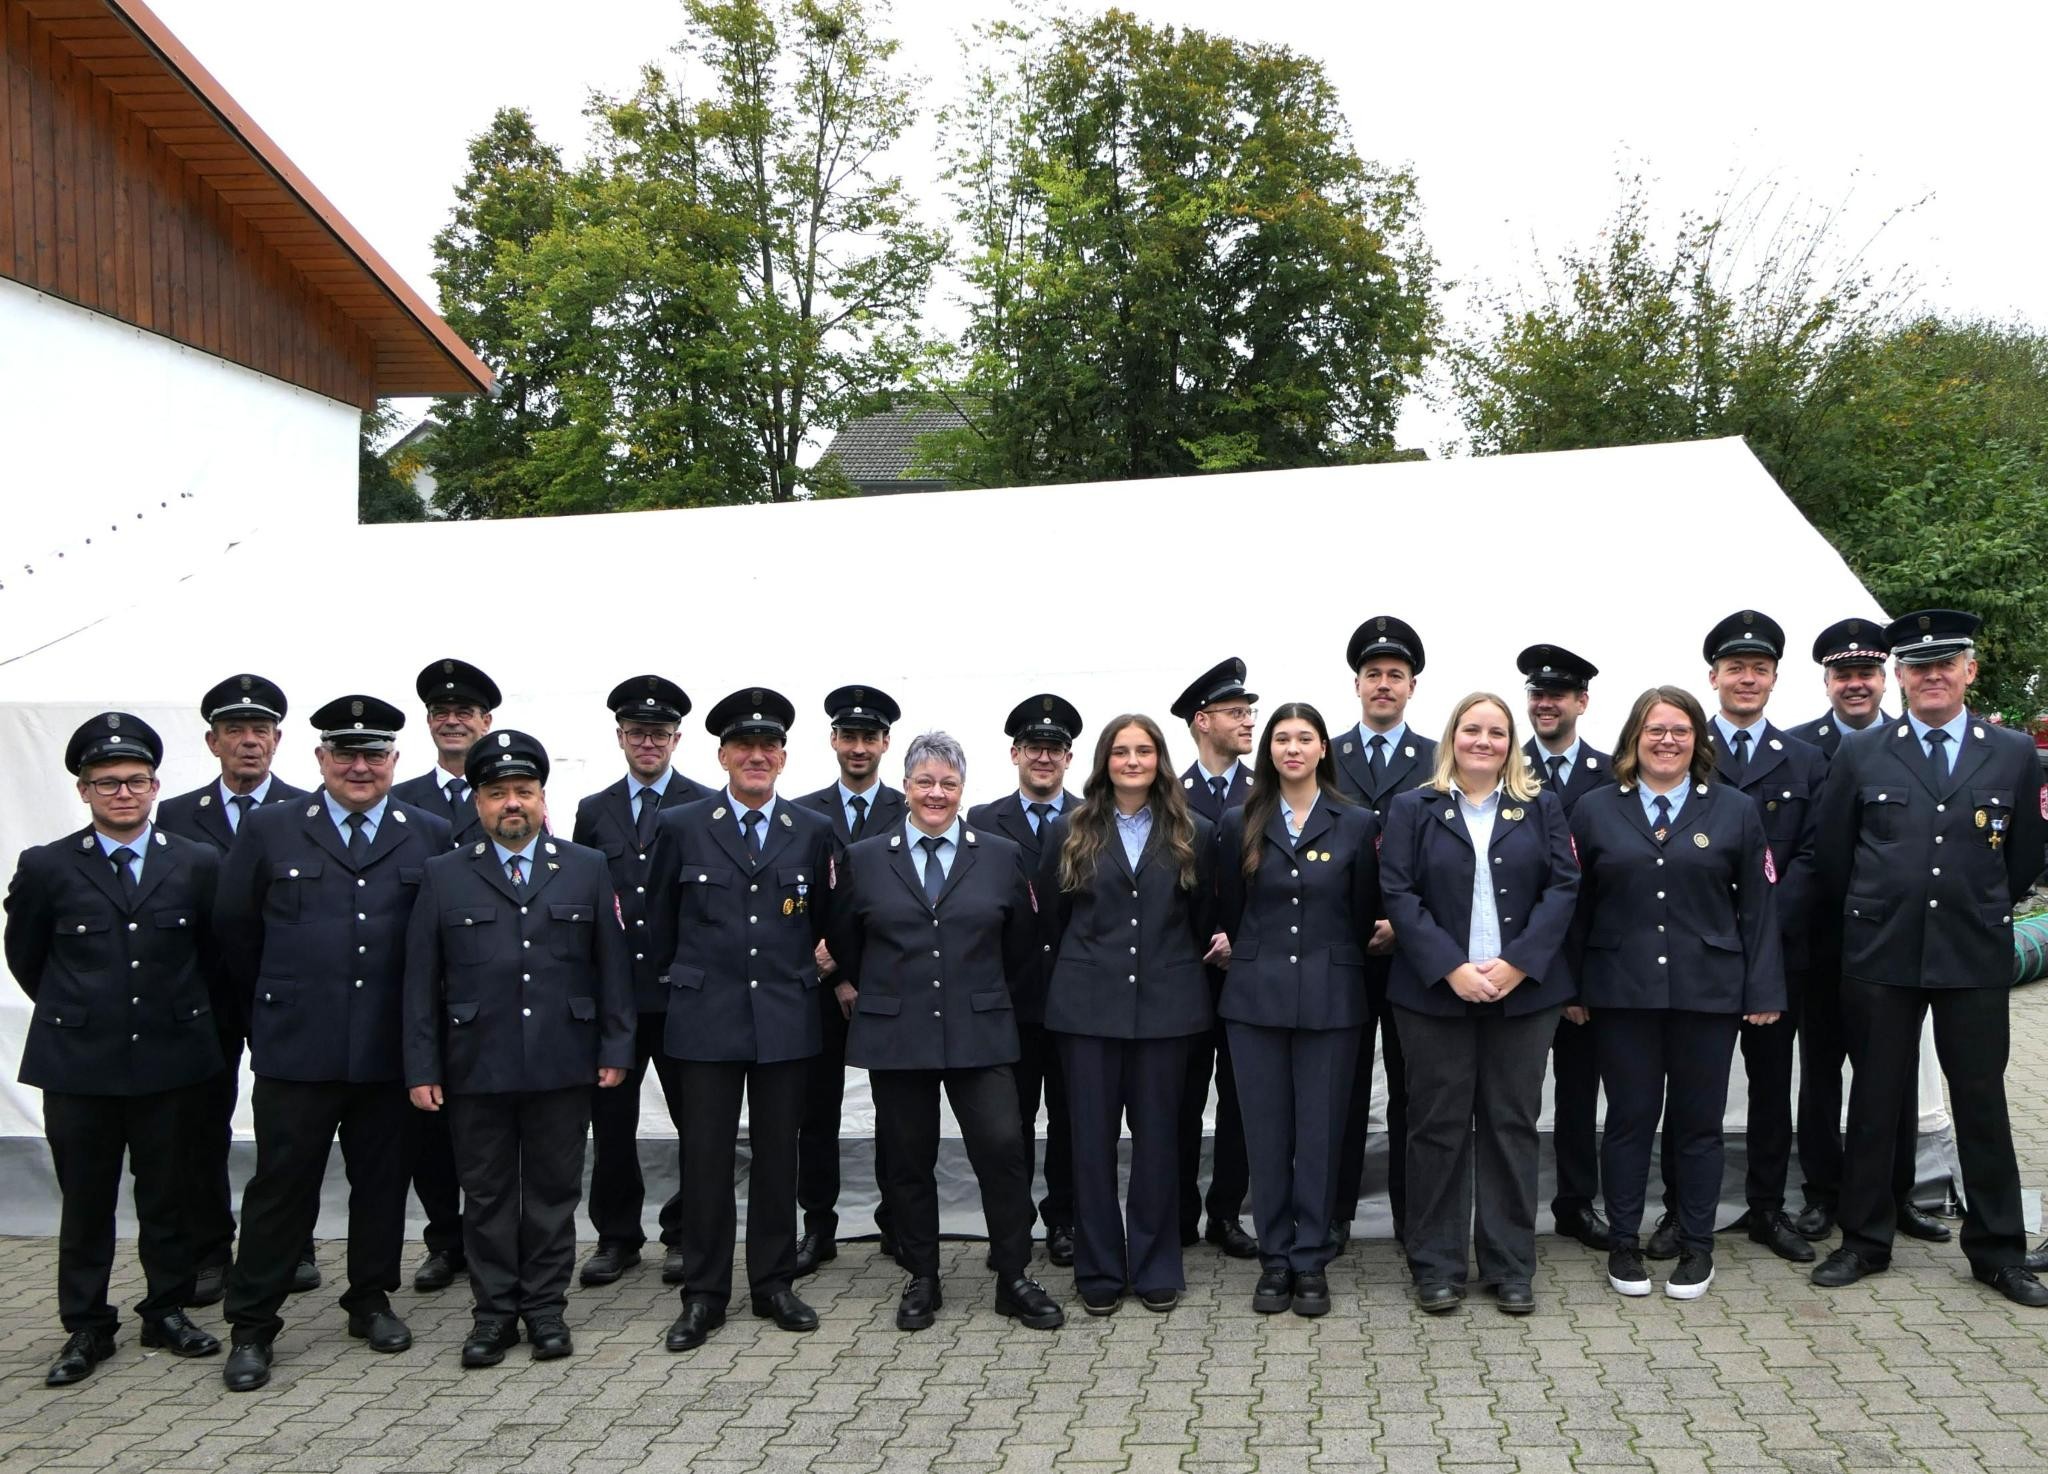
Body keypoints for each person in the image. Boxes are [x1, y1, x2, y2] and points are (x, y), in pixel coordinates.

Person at [213, 696, 453, 1391]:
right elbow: (235, 929)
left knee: (381, 1185)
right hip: (299, 1046)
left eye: (373, 754)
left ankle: (369, 1300)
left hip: (386, 1050)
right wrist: (275, 1009)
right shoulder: (272, 828)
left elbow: (439, 942)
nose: (359, 766)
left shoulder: (429, 832)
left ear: (394, 762)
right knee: (280, 1188)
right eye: (344, 754)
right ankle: (252, 1325)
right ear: (318, 760)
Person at [1810, 610, 2048, 1307]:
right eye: (1917, 666)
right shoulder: (1864, 752)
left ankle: (1999, 1252)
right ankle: (1864, 1241)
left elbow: (2028, 854)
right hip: (1880, 951)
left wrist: (1977, 906)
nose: (1932, 675)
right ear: (1900, 679)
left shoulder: (2009, 752)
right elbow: (1834, 856)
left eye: (1946, 663)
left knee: (1981, 1101)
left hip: (1972, 953)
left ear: (1969, 671)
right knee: (1877, 1099)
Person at [5, 714, 225, 1385]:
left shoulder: (196, 861)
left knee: (167, 1196)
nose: (122, 793)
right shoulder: (47, 866)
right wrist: (83, 1011)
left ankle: (165, 1310)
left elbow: (214, 956)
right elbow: (27, 957)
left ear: (156, 785)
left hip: (169, 1058)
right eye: (107, 783)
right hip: (80, 1064)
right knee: (86, 1200)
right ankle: (87, 1326)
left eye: (134, 781)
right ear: (84, 791)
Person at [403, 732, 635, 1365]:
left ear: (541, 798)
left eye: (524, 792)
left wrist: (616, 1047)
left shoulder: (585, 867)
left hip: (563, 1060)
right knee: (487, 1195)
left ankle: (544, 1310)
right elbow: (421, 979)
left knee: (554, 1193)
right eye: (498, 793)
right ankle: (493, 1315)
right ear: (478, 802)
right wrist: (422, 1065)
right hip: (477, 1062)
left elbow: (611, 968)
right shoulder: (444, 874)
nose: (512, 804)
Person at [826, 732, 1065, 1333]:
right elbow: (848, 942)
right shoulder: (864, 858)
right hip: (897, 1032)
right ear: (905, 786)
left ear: (964, 790)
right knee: (906, 1160)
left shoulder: (1000, 855)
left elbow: (1018, 945)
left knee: (1003, 1152)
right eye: (925, 781)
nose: (936, 793)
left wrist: (984, 996)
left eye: (948, 783)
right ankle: (923, 1276)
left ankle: (1013, 1275)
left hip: (979, 1029)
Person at [1568, 686, 1784, 1302]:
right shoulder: (1595, 808)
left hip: (1707, 992)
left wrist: (1763, 987)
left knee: (1699, 1126)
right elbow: (1575, 906)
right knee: (1629, 1121)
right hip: (1620, 992)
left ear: (1698, 741)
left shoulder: (1736, 810)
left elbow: (1759, 908)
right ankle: (1625, 1243)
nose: (1667, 741)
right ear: (1634, 738)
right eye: (1655, 730)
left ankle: (1696, 1245)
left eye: (1680, 731)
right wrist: (1573, 985)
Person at [650, 689, 838, 1352]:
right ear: (723, 755)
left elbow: (829, 923)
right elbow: (657, 925)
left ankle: (773, 1283)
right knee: (705, 1160)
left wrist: (810, 973)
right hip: (705, 1019)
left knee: (778, 1158)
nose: (756, 757)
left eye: (769, 747)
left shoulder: (811, 831)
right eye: (743, 747)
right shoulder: (681, 825)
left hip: (785, 1016)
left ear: (784, 757)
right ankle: (703, 1294)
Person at [1635, 612, 1824, 1266]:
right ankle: (1680, 1215)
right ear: (1713, 676)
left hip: (1775, 954)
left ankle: (1767, 1207)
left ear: (1774, 676)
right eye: (1735, 668)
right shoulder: (1679, 748)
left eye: (1760, 668)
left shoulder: (1805, 760)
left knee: (1772, 1088)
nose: (1748, 678)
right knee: (1685, 1093)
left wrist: (1763, 922)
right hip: (1689, 955)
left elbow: (1813, 856)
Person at [1381, 694, 1579, 1315]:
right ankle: (1436, 1265)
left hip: (1522, 997)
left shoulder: (1540, 805)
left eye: (1496, 732)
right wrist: (1451, 968)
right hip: (1435, 996)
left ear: (1510, 742)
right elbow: (1398, 892)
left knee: (1510, 1125)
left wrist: (1519, 963)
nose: (1483, 741)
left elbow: (1564, 886)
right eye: (1472, 729)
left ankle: (1510, 1264)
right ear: (1453, 737)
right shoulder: (1414, 807)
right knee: (1435, 1127)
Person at [1040, 714, 1224, 1315]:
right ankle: (1097, 1267)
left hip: (1167, 1013)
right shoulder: (1071, 829)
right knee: (1088, 1144)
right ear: (1105, 761)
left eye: (1144, 751)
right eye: (1121, 751)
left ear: (1160, 759)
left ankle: (1155, 1264)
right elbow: (1053, 924)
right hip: (1087, 1013)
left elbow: (1199, 921)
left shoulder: (1193, 830)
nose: (1132, 761)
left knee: (1159, 1143)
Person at [156, 674, 317, 1305]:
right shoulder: (173, 816)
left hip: (285, 997)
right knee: (201, 1128)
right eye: (235, 732)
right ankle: (208, 1252)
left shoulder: (310, 810)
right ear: (212, 741)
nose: (248, 742)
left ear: (278, 740)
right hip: (205, 997)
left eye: (260, 731)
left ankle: (292, 1246)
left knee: (292, 1129)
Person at [1216, 704, 1380, 1317]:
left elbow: (1362, 910)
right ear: (1269, 751)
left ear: (1321, 750)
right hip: (1255, 998)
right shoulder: (1239, 821)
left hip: (1332, 997)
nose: (1292, 748)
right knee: (1266, 1133)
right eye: (1281, 738)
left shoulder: (1357, 823)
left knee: (1319, 1132)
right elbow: (1230, 905)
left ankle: (1311, 1256)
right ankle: (1275, 1257)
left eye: (1304, 738)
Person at [1782, 620, 1932, 1246]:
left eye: (1866, 674)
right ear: (1826, 682)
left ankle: (1897, 1195)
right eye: (1843, 675)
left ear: (1885, 679)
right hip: (1822, 943)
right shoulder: (1794, 747)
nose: (1856, 685)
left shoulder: (1914, 744)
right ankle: (1822, 1195)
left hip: (1895, 944)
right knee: (1820, 1074)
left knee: (1891, 1075)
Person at [572, 675, 713, 1290]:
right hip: (617, 995)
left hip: (681, 993)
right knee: (612, 1124)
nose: (648, 742)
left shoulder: (704, 805)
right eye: (637, 733)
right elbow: (581, 900)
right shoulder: (594, 810)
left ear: (677, 738)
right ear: (621, 738)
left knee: (695, 1122)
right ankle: (616, 1236)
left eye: (659, 733)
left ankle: (685, 1233)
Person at [391, 657, 503, 1294]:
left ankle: (496, 1236)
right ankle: (444, 1239)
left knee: (491, 1128)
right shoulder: (401, 802)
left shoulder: (516, 792)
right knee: (430, 1128)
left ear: (487, 723)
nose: (453, 720)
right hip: (432, 989)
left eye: (465, 713)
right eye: (442, 713)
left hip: (494, 989)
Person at [967, 694, 1085, 1269]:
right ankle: (1009, 1228)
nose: (1044, 757)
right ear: (1015, 753)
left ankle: (1064, 1220)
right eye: (1034, 748)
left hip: (1073, 998)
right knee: (1005, 1127)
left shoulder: (1091, 817)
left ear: (1069, 757)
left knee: (1070, 1120)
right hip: (1008, 998)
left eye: (1055, 749)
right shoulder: (984, 821)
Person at [1328, 616, 1435, 1247]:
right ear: (1358, 685)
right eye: (1374, 675)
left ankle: (1410, 1216)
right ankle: (1334, 1214)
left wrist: (1406, 923)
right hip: (1339, 949)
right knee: (1338, 1088)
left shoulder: (1437, 757)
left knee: (1412, 1090)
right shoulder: (1325, 754)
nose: (1384, 685)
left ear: (1412, 686)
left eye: (1396, 675)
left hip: (1410, 952)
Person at [792, 685, 906, 1277]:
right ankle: (818, 1225)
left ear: (885, 743)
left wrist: (862, 974)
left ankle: (898, 1220)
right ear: (834, 740)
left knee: (897, 1109)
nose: (858, 747)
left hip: (888, 985)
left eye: (870, 737)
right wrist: (833, 970)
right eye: (849, 736)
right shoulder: (804, 813)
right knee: (817, 1110)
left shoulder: (909, 809)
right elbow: (800, 897)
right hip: (820, 983)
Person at [1517, 644, 1612, 1253]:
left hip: (1587, 964)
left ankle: (1577, 1203)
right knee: (1511, 1100)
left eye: (1558, 694)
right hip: (1515, 964)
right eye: (1536, 694)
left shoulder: (1612, 775)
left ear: (1582, 701)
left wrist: (1578, 979)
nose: (1545, 703)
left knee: (1579, 1094)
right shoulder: (1500, 766)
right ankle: (1508, 1210)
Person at [1168, 658, 1257, 1260]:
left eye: (1250, 711)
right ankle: (1175, 1213)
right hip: (1185, 973)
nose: (1247, 720)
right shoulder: (1168, 794)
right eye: (1234, 712)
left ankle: (1227, 1212)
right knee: (1177, 1099)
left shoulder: (1266, 791)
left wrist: (1242, 940)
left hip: (1249, 974)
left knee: (1243, 1101)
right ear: (1203, 722)